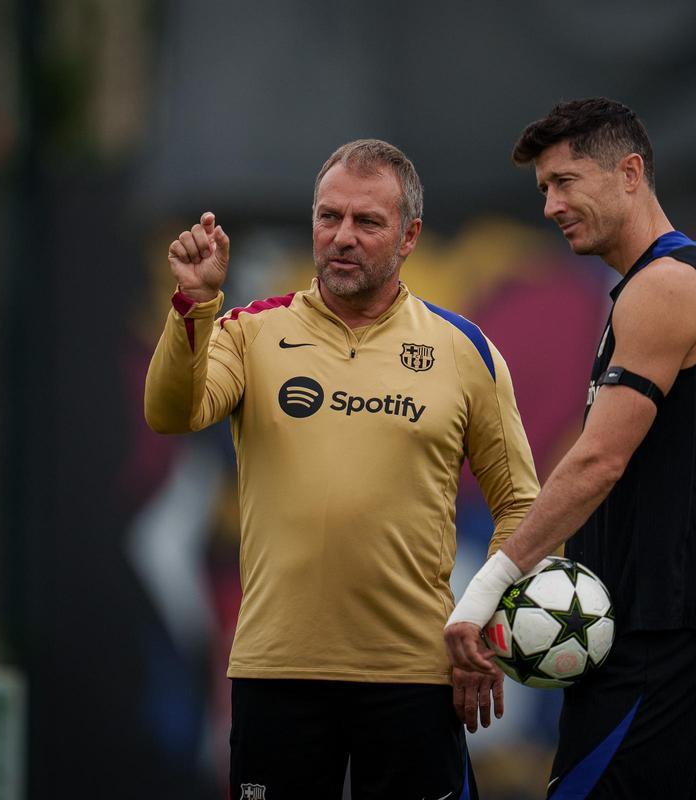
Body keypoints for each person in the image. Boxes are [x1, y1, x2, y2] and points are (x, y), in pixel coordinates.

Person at [144, 139, 539, 799]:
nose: (342, 238)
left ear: (410, 235)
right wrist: (193, 306)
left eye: (367, 222)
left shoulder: (463, 349)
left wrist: (484, 623)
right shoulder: (251, 332)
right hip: (278, 675)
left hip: (415, 677)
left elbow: (521, 506)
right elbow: (172, 412)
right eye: (329, 218)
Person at [444, 98, 696, 798]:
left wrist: (485, 592)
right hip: (636, 633)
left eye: (565, 181)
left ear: (629, 172)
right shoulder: (648, 287)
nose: (552, 205)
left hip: (658, 637)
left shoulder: (666, 286)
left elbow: (598, 461)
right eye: (543, 190)